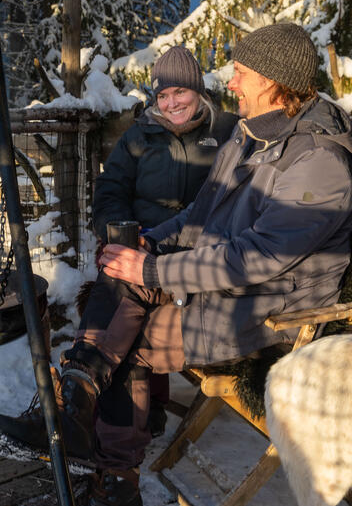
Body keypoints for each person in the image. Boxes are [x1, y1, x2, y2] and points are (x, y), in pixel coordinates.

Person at [0, 22, 352, 506]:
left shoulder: (318, 162)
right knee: (121, 277)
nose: (232, 82)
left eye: (241, 72)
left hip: (269, 312)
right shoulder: (250, 137)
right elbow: (200, 214)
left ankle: (107, 465)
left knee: (130, 334)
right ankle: (75, 408)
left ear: (270, 79)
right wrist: (147, 246)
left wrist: (153, 270)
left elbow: (261, 257)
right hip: (223, 287)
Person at [91, 45, 237, 436]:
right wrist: (116, 230)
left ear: (199, 92)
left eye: (181, 93)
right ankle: (131, 408)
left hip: (197, 255)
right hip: (145, 243)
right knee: (120, 282)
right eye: (163, 95)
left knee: (123, 303)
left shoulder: (226, 133)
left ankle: (106, 410)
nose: (172, 103)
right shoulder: (140, 135)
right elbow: (110, 187)